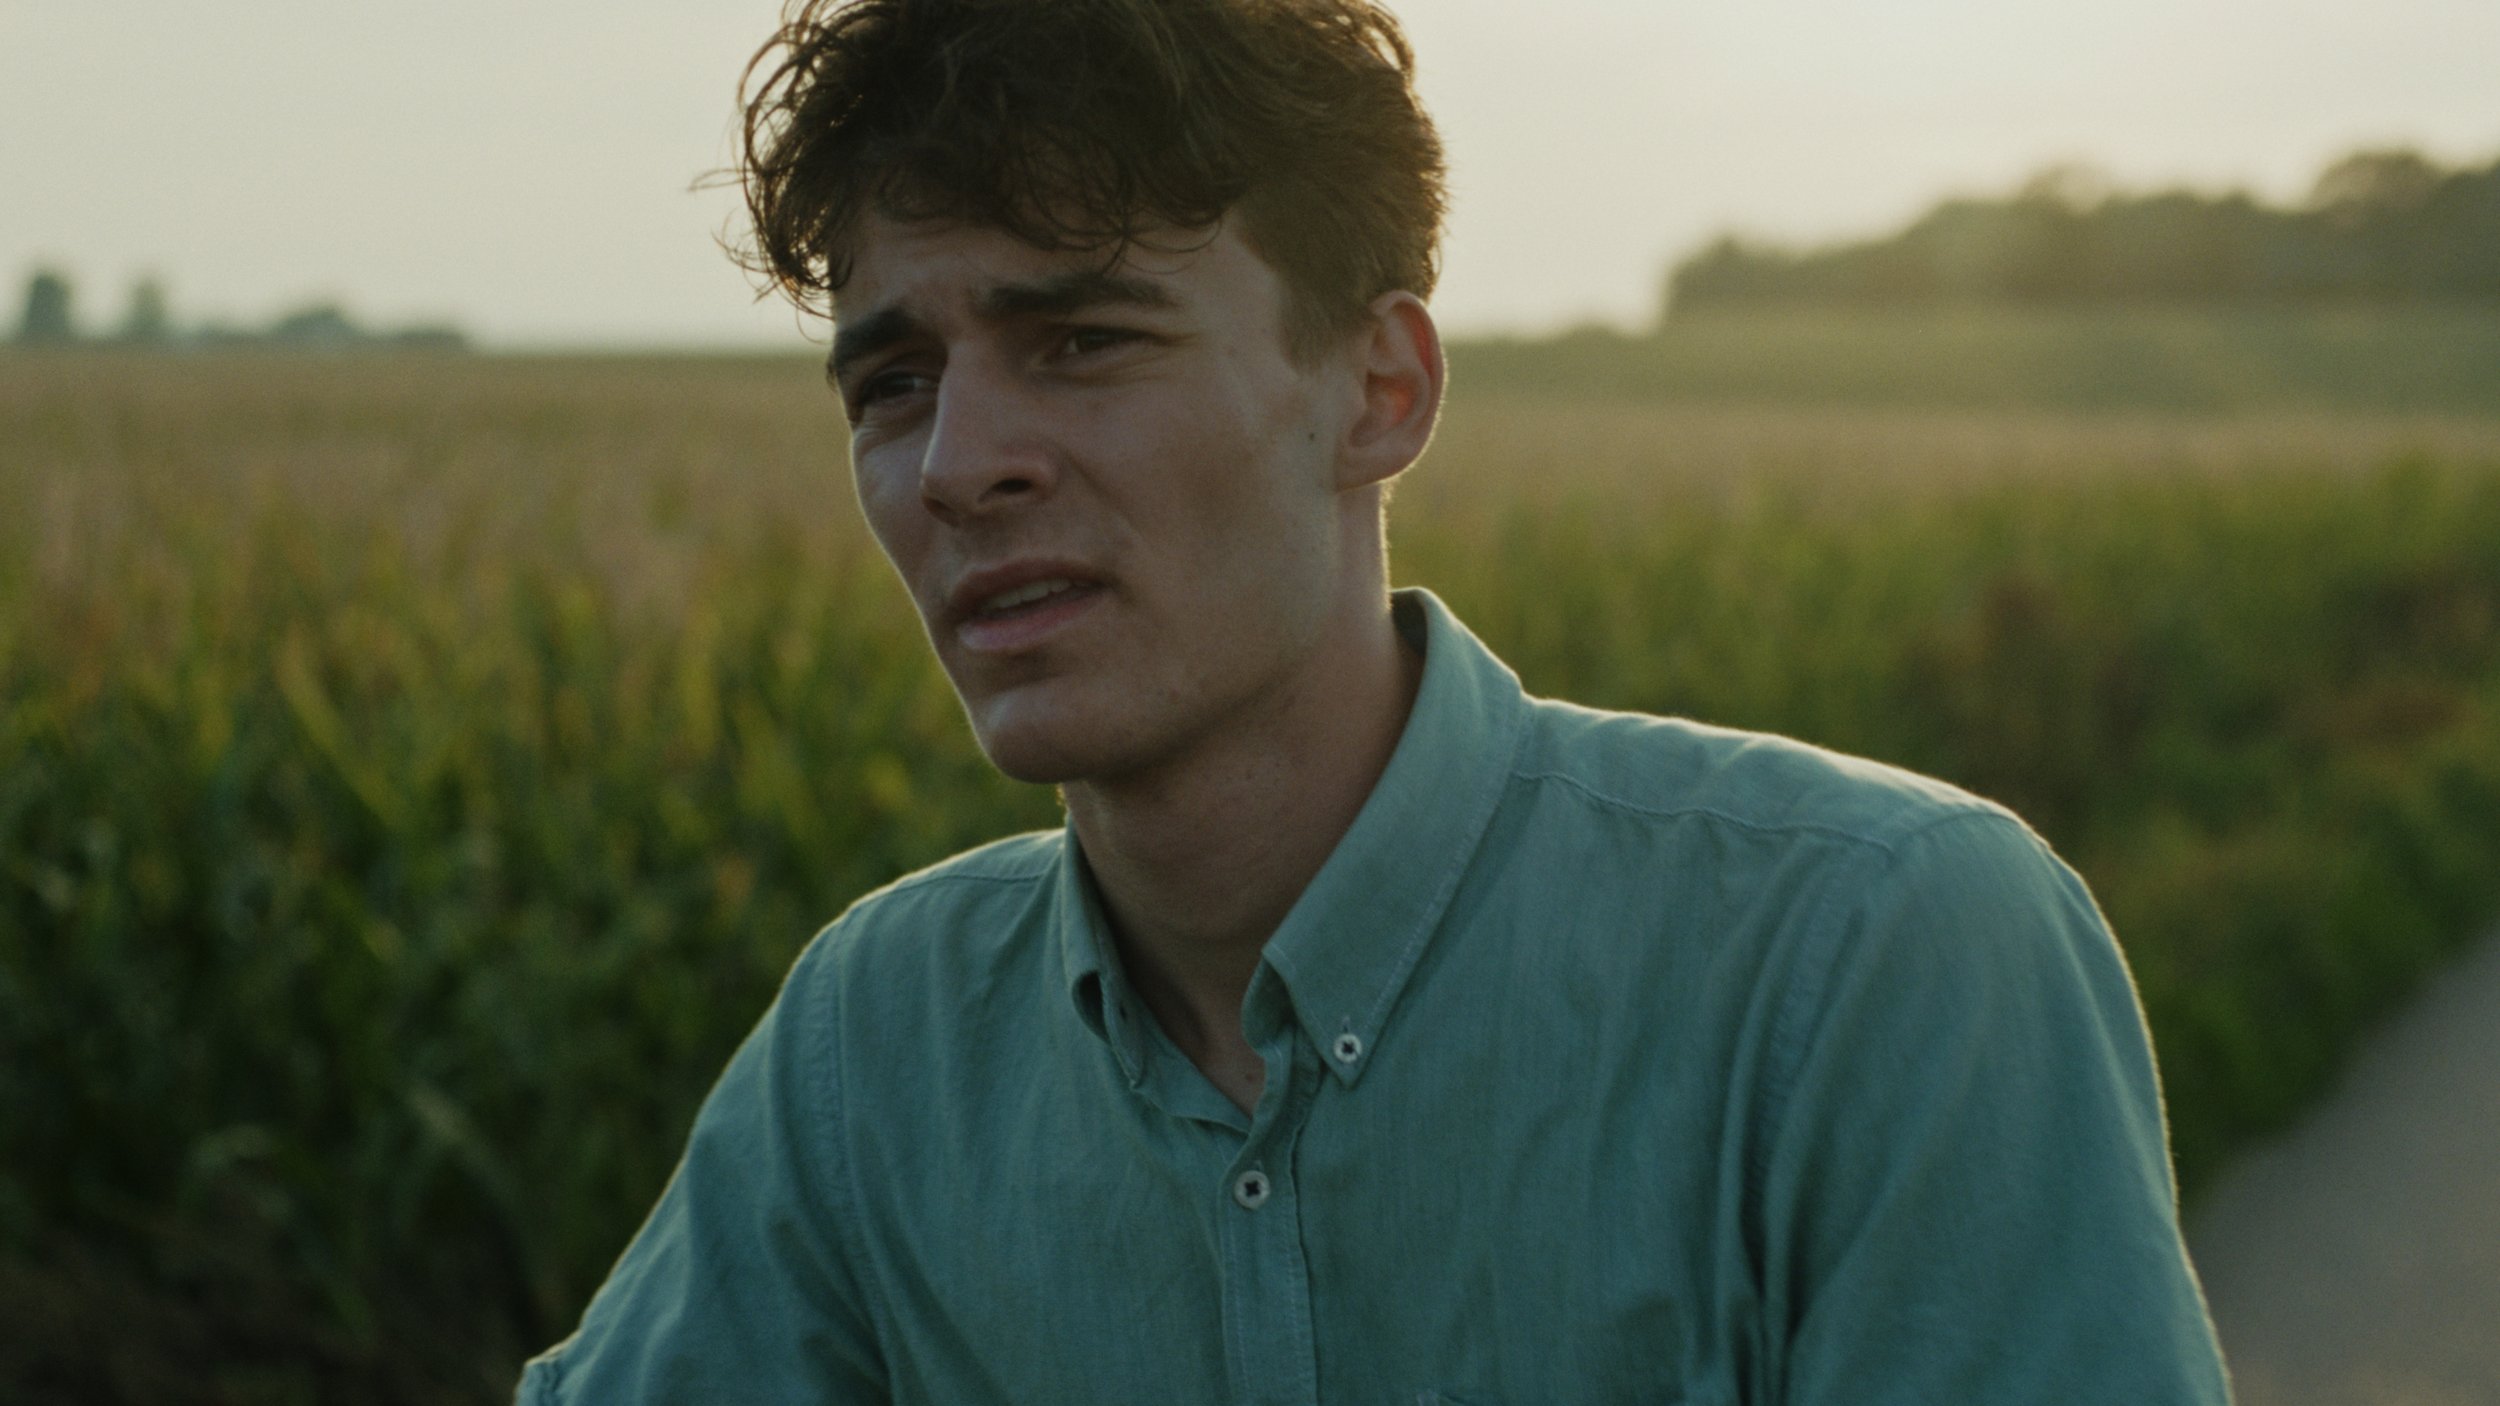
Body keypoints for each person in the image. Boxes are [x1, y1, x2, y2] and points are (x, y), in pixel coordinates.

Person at [519, 0, 2232, 1400]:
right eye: (894, 382)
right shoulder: (874, 1046)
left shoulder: (1876, 955)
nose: (961, 466)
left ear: (1380, 389)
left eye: (1086, 341)